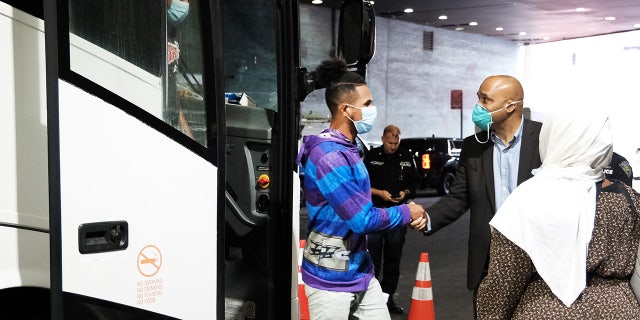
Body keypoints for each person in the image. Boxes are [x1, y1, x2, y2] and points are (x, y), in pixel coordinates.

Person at [476, 107, 640, 319]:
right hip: (619, 310)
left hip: (544, 310)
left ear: (552, 138)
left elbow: (504, 280)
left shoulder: (527, 199)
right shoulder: (629, 200)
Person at [296, 58, 427, 320]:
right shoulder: (328, 155)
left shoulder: (351, 148)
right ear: (345, 109)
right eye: (367, 104)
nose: (372, 109)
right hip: (330, 280)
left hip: (360, 271)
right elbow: (361, 219)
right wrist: (407, 211)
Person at [421, 75, 543, 316]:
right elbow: (458, 196)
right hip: (489, 259)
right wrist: (427, 216)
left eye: (485, 100)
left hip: (537, 261)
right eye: (478, 97)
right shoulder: (474, 146)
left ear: (510, 106)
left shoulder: (544, 139)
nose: (477, 105)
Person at [364, 124, 421, 314]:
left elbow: (415, 182)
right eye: (390, 142)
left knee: (393, 260)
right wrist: (379, 193)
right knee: (371, 260)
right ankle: (369, 301)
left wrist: (405, 192)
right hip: (375, 214)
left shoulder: (405, 156)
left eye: (396, 143)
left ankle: (387, 300)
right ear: (382, 139)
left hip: (397, 216)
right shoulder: (372, 157)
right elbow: (361, 185)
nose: (393, 146)